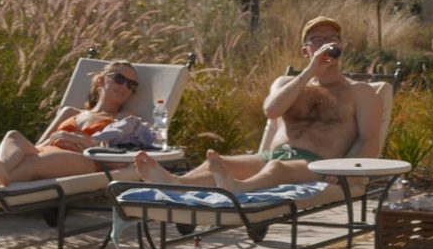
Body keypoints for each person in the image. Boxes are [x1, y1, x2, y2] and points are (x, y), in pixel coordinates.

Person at [126, 17, 386, 193]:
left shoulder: (359, 91)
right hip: (271, 156)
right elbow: (271, 111)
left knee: (277, 169)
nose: (327, 44)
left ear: (341, 46)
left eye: (333, 38)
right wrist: (309, 72)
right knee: (218, 163)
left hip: (319, 164)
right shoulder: (288, 82)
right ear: (305, 51)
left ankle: (240, 190)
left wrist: (346, 171)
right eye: (317, 40)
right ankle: (175, 183)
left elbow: (369, 141)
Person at [0, 60, 151, 189]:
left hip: (86, 161)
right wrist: (33, 149)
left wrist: (81, 140)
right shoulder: (71, 112)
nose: (125, 86)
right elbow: (38, 144)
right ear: (100, 81)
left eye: (131, 85)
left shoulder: (125, 118)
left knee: (34, 162)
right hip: (47, 152)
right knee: (14, 136)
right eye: (119, 79)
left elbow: (120, 161)